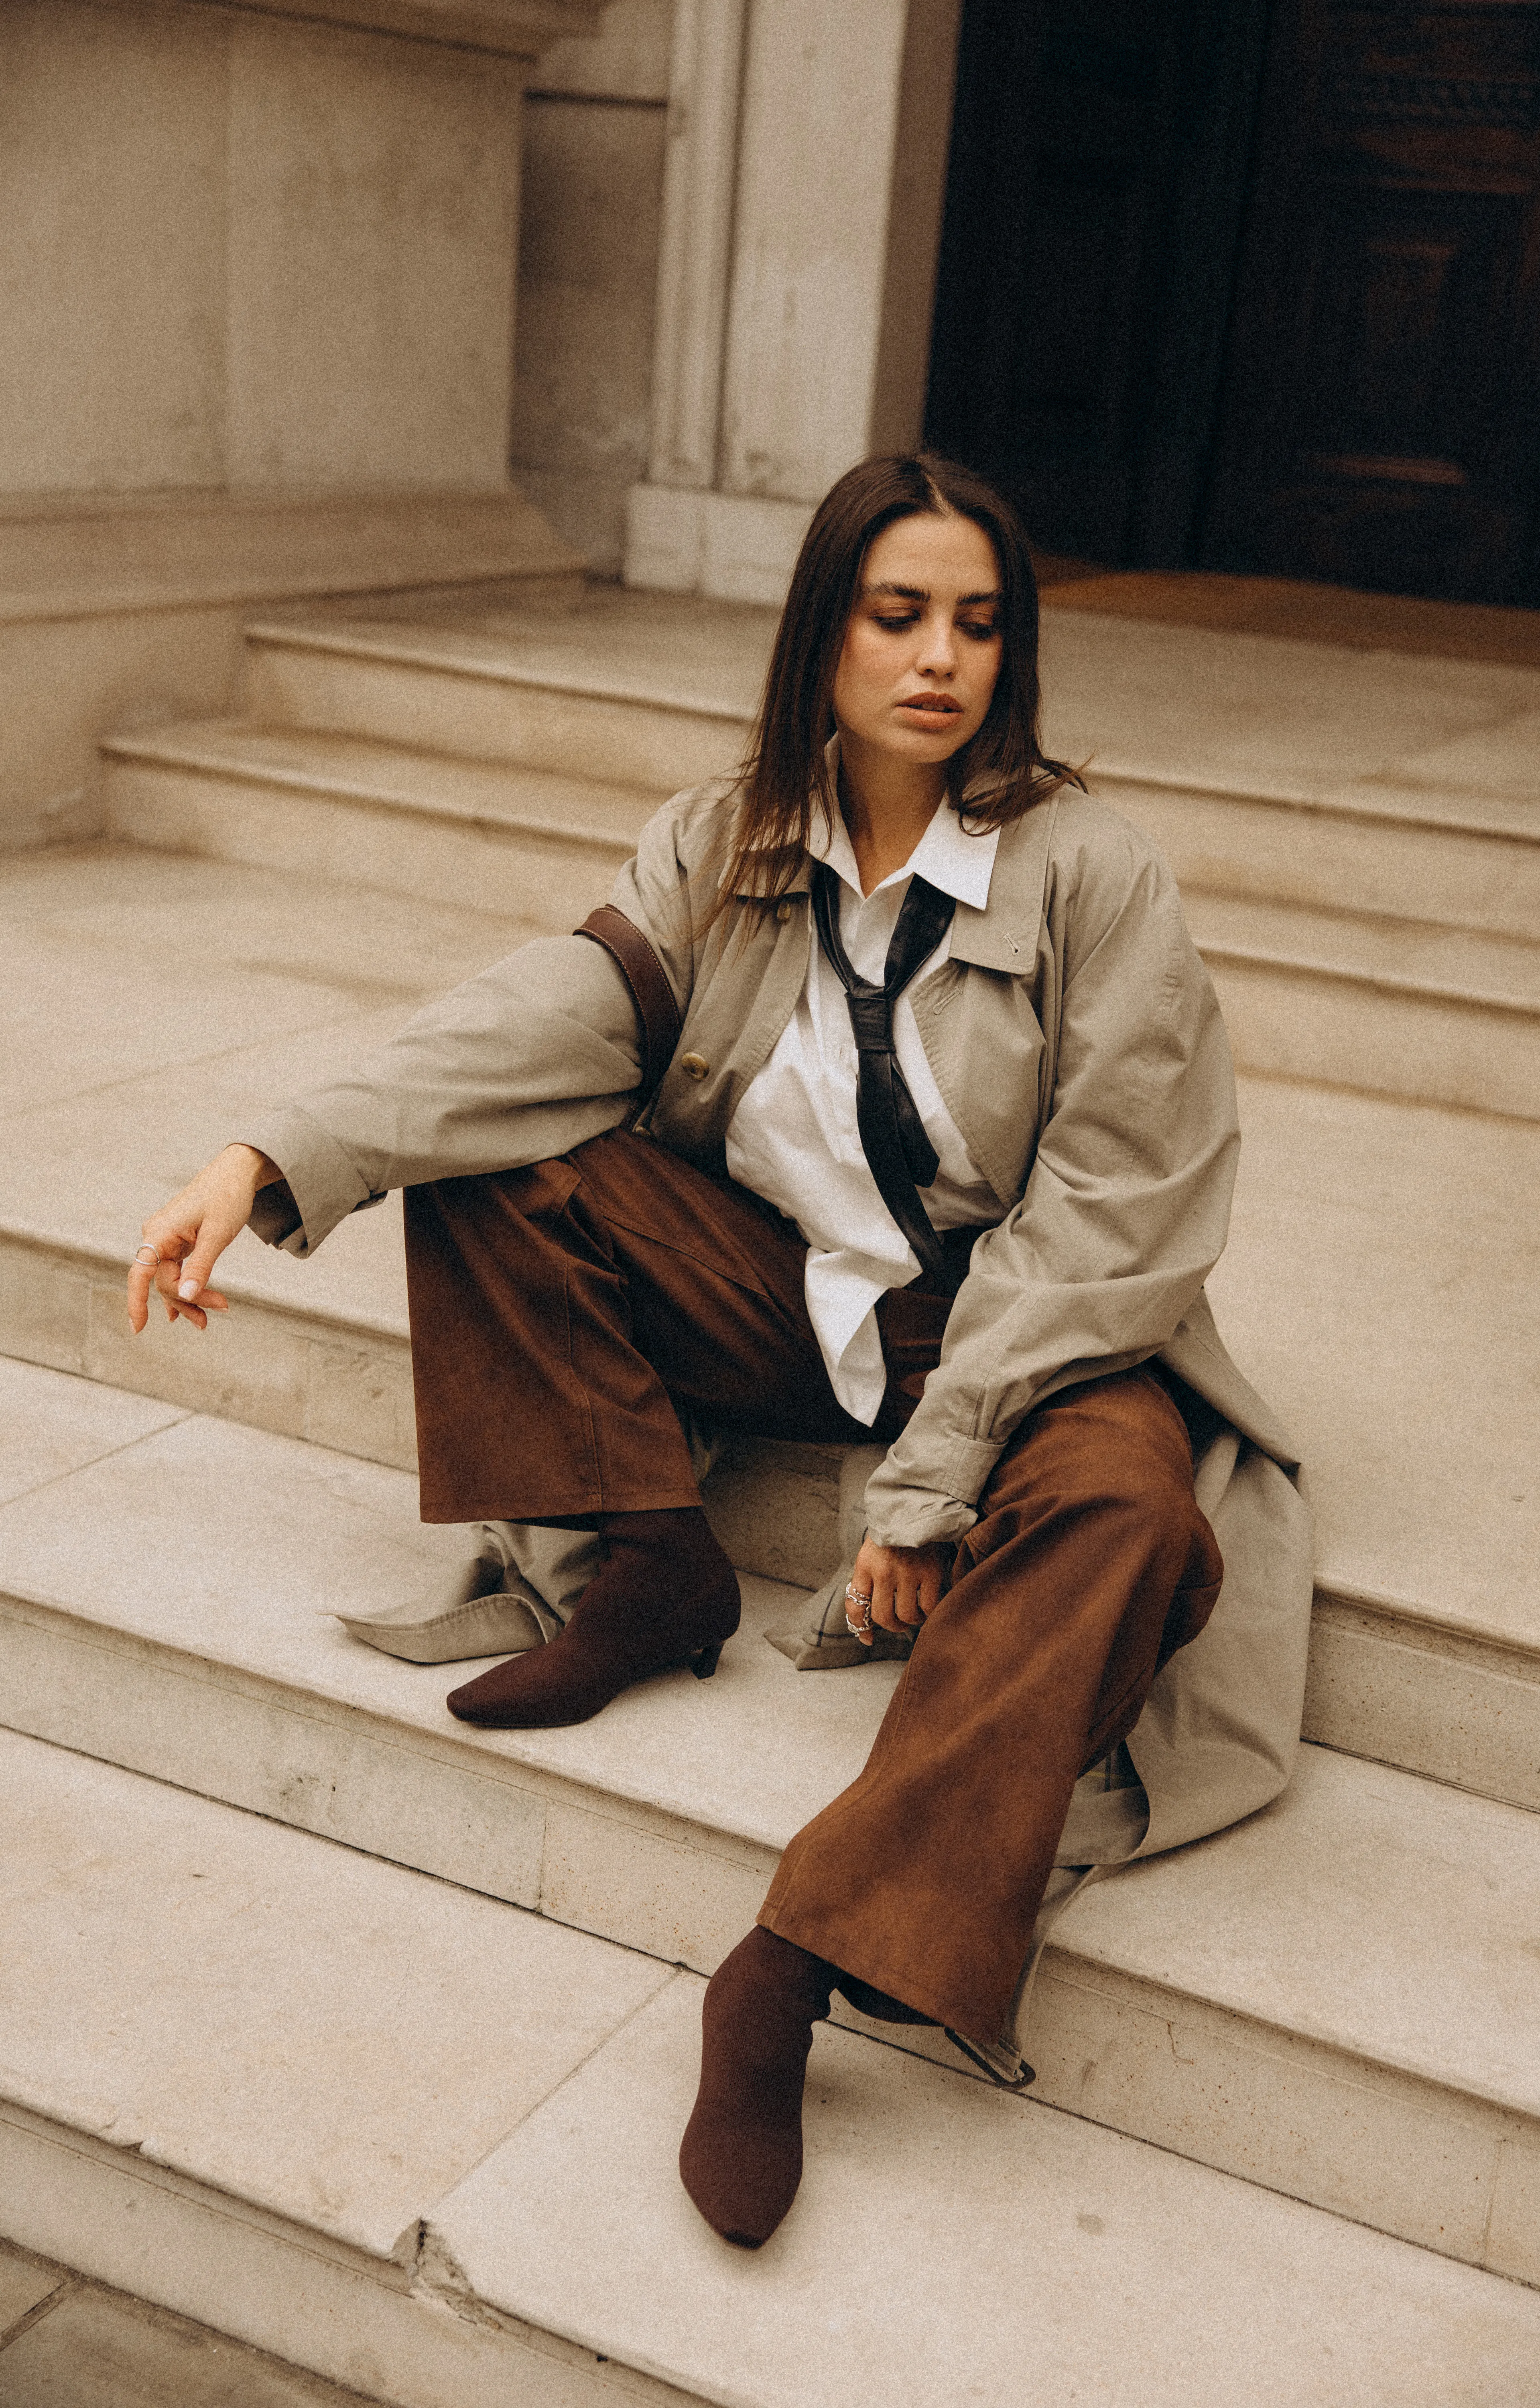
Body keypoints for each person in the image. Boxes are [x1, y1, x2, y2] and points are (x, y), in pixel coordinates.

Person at [126, 452, 1309, 2251]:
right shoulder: (727, 839)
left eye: (979, 623)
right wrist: (268, 1157)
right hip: (785, 1299)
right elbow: (552, 1014)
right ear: (823, 630)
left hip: (1023, 1337)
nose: (941, 659)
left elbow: (1112, 1215)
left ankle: (794, 1964)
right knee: (488, 1158)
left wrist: (932, 1486)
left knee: (1137, 1518)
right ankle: (653, 1562)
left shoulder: (1095, 877)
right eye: (897, 615)